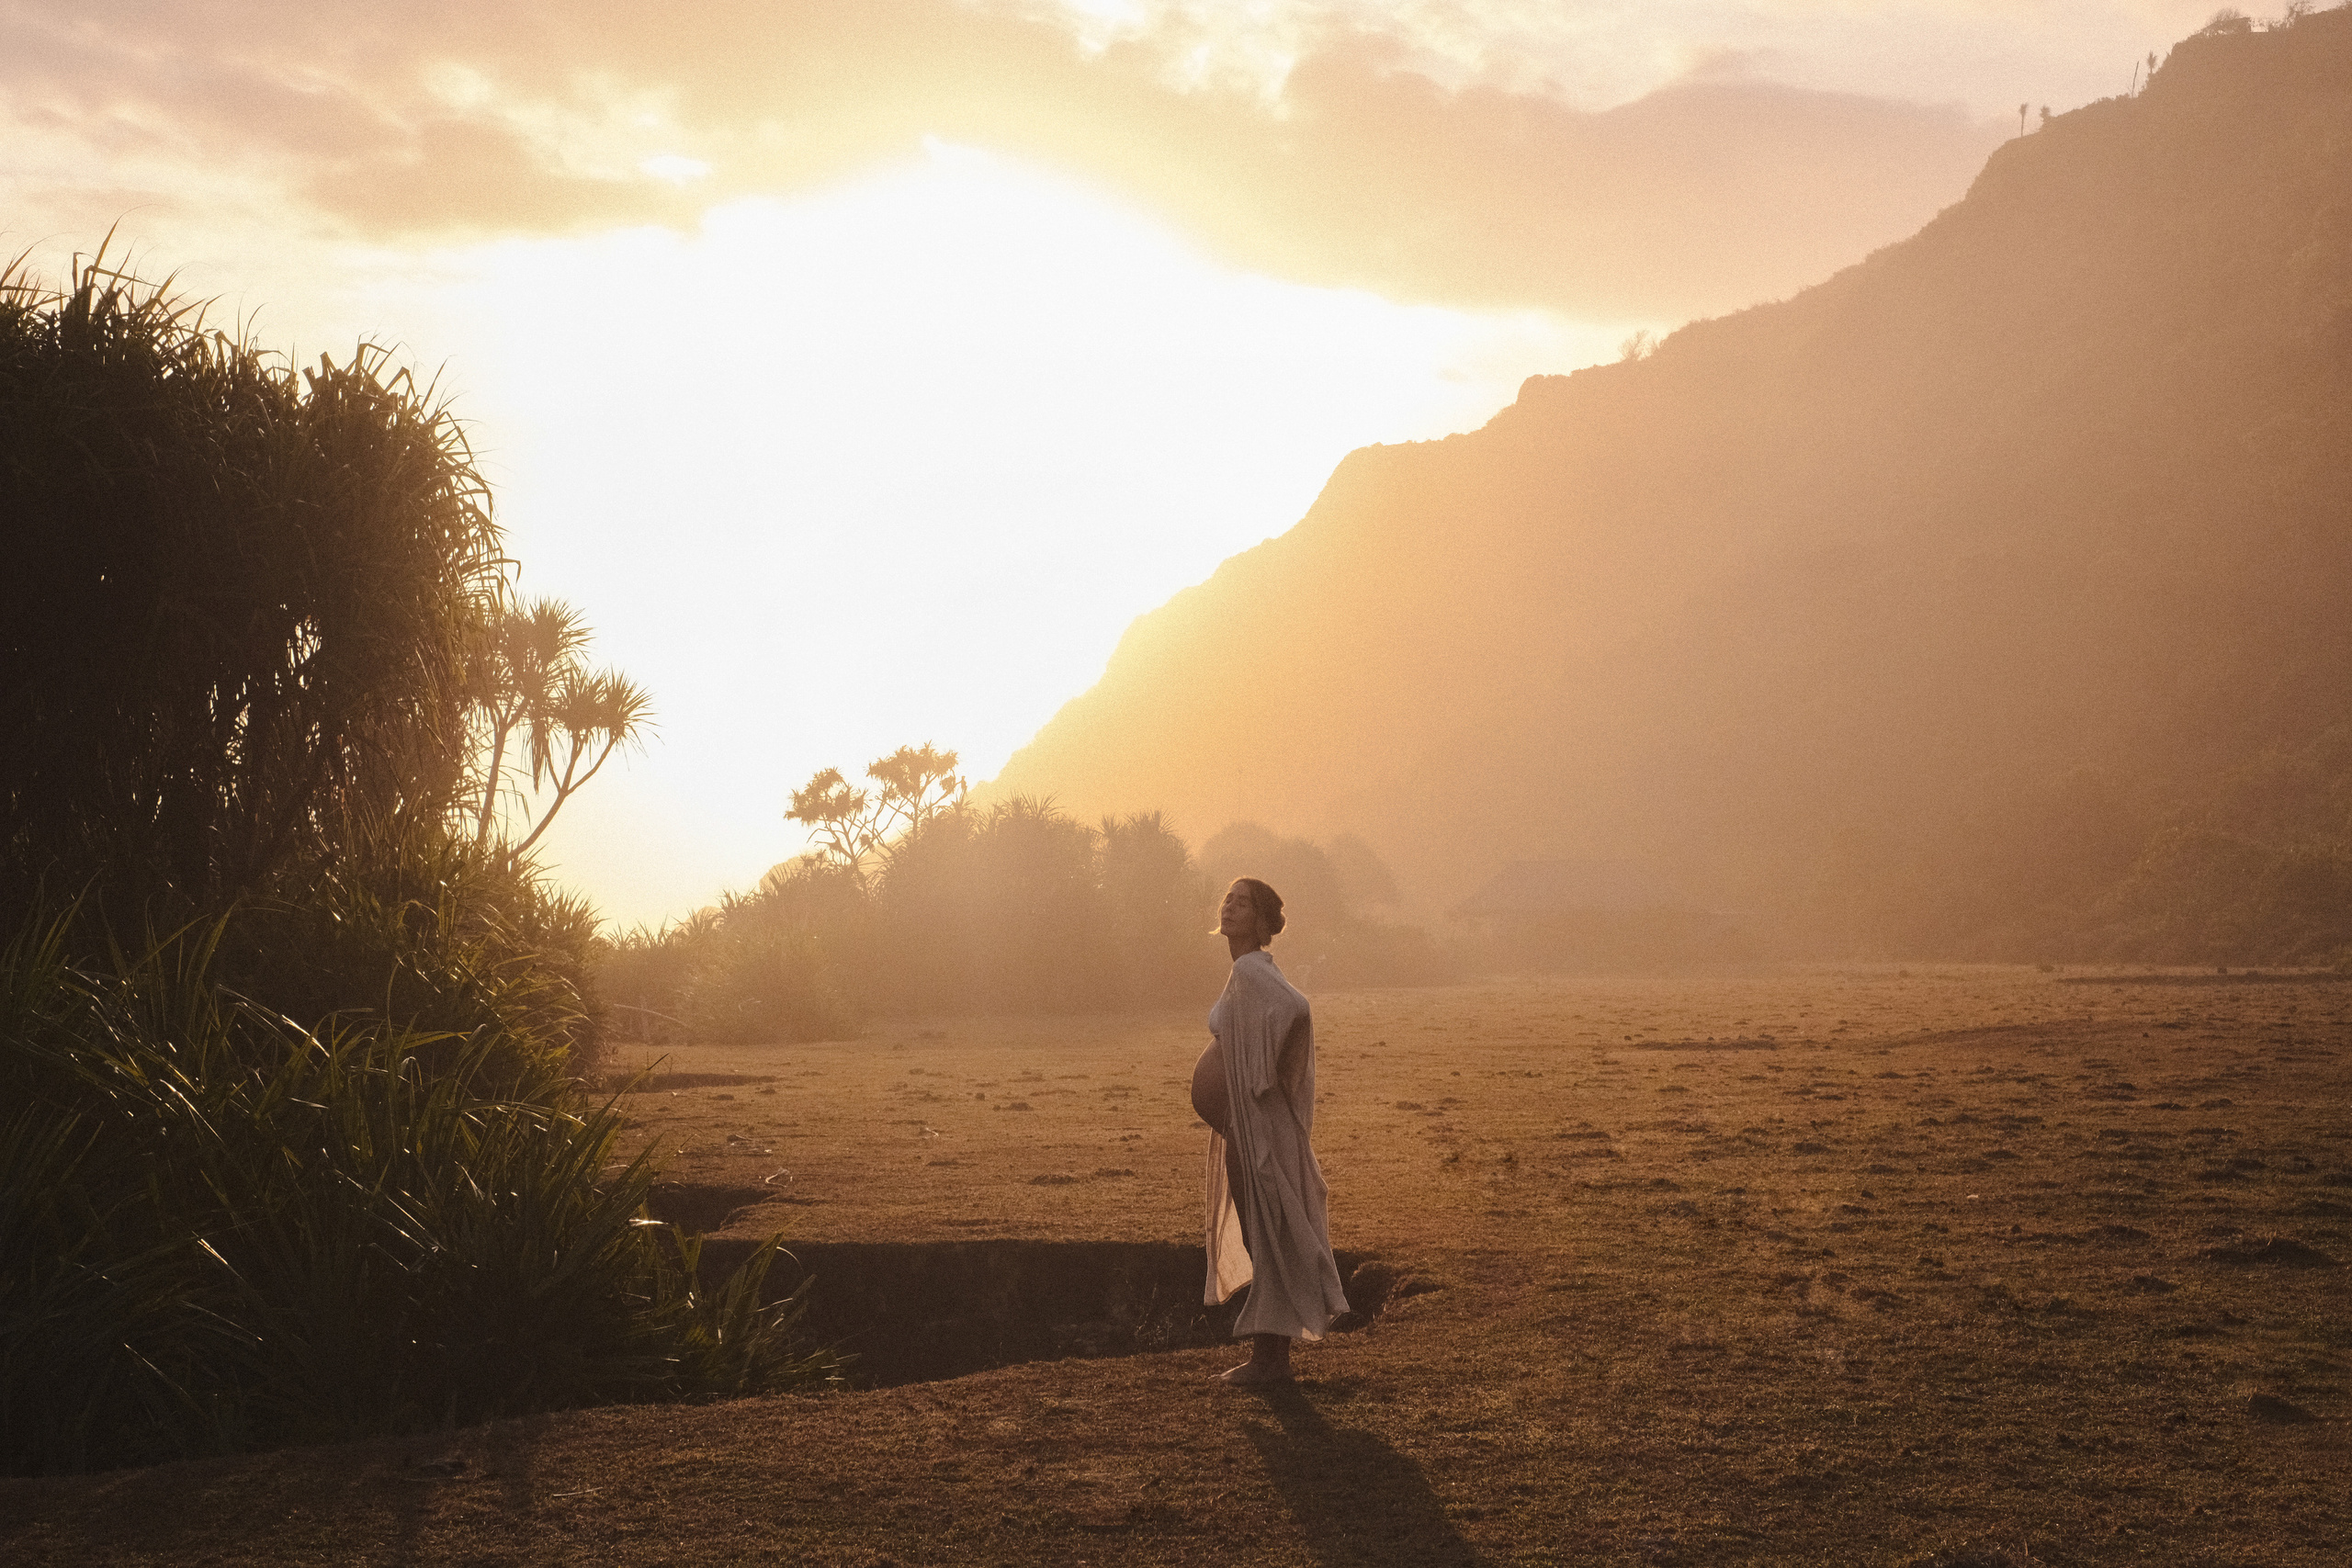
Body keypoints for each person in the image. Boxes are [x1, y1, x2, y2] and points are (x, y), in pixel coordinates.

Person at [1190, 876, 1351, 1385]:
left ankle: (1269, 1363)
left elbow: (1296, 1010)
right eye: (1228, 900)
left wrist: (1269, 1079)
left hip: (1256, 1126)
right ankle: (1270, 1360)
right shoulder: (1245, 972)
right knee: (1264, 1232)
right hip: (1245, 1125)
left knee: (1267, 1233)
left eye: (1243, 903)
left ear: (1261, 921)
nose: (1231, 907)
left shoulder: (1254, 973)